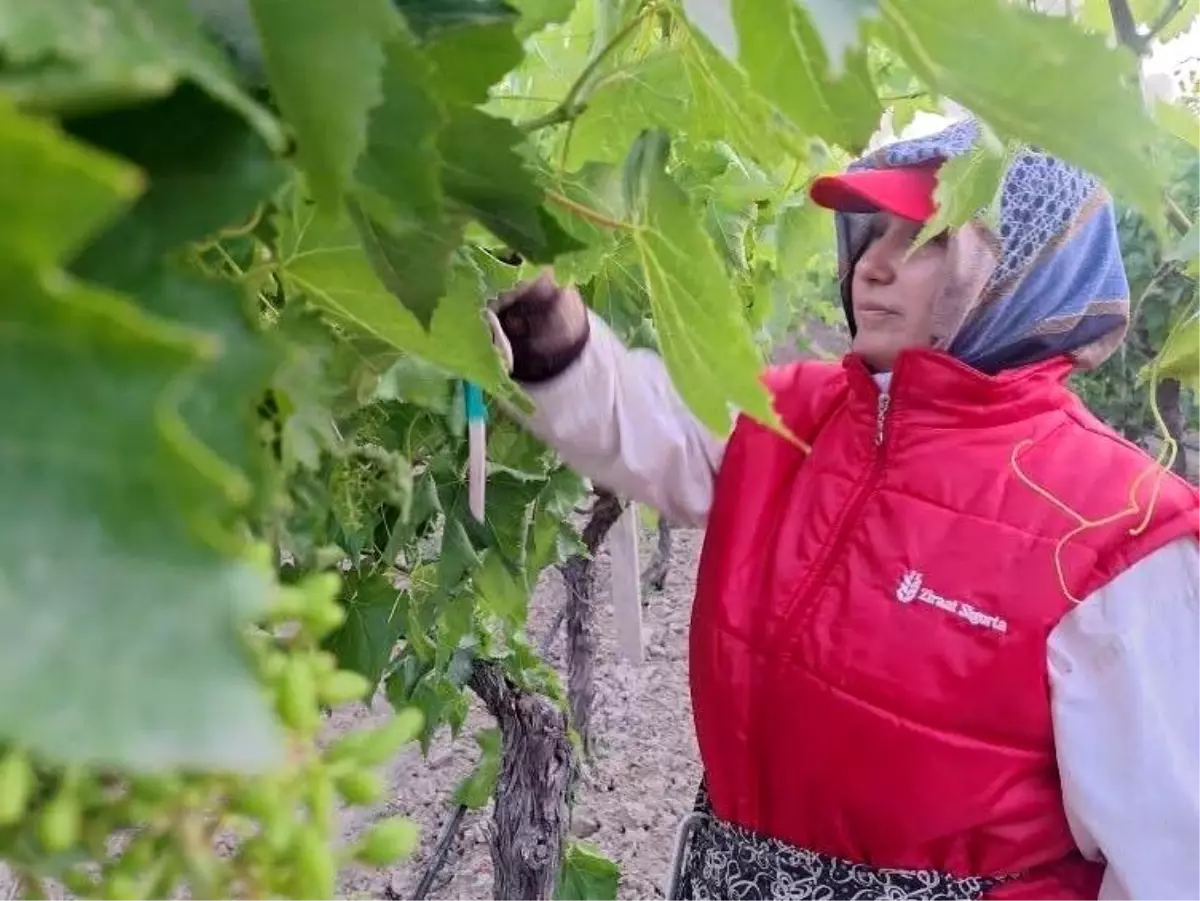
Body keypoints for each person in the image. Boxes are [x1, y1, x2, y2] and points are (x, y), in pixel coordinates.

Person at [485, 119, 1200, 900]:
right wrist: (548, 328)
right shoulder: (799, 414)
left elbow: (1171, 854)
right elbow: (653, 432)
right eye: (875, 232)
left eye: (925, 239)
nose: (875, 265)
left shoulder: (1117, 527)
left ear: (1019, 275)